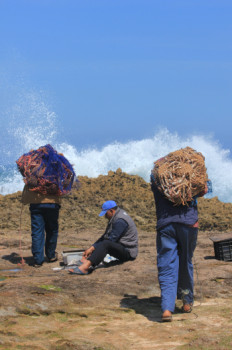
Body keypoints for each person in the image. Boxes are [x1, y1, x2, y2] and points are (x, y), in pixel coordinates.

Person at [151, 174, 208, 322]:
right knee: (185, 262)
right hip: (188, 223)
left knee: (167, 265)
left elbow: (155, 186)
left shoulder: (157, 178)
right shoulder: (190, 174)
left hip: (166, 224)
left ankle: (167, 309)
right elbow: (205, 189)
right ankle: (187, 302)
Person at [69, 200, 138, 275]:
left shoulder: (120, 220)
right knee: (105, 243)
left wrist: (93, 251)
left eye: (106, 213)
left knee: (106, 244)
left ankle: (85, 267)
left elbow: (110, 240)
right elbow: (106, 236)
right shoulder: (115, 217)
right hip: (121, 247)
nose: (105, 216)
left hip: (128, 252)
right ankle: (88, 261)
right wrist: (91, 248)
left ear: (111, 211)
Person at [22, 185, 61, 267]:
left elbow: (27, 178)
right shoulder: (56, 171)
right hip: (52, 203)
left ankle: (38, 260)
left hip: (36, 203)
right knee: (52, 230)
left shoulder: (32, 171)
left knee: (37, 232)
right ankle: (51, 255)